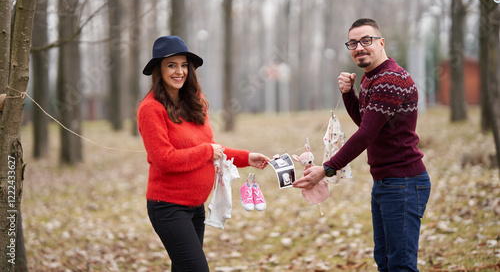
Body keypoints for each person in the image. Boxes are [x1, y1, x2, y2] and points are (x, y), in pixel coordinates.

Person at [293, 18, 431, 271]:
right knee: (385, 261)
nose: (359, 47)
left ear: (381, 42)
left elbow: (366, 134)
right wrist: (348, 94)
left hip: (403, 183)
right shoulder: (371, 78)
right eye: (353, 43)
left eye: (366, 40)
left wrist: (327, 168)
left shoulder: (391, 79)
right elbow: (367, 124)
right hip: (386, 182)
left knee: (400, 265)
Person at [137, 36, 269, 272]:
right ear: (159, 70)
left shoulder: (194, 102)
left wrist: (247, 158)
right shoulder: (151, 109)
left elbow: (211, 147)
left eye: (184, 65)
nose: (180, 71)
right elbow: (164, 160)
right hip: (168, 207)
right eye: (171, 65)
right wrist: (207, 151)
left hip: (196, 206)